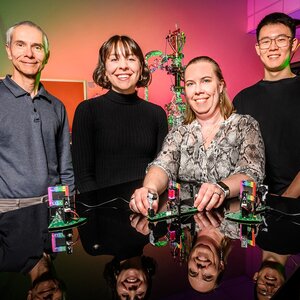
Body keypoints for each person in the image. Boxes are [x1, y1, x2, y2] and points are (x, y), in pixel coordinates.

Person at [129, 56, 265, 216]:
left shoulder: (245, 125)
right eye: (190, 84)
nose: (198, 90)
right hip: (189, 228)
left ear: (220, 86)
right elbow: (163, 165)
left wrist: (221, 188)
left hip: (231, 228)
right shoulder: (179, 132)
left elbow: (252, 172)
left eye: (206, 81)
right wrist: (149, 189)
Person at [72, 35, 168, 193]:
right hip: (102, 210)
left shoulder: (157, 114)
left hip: (147, 207)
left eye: (131, 59)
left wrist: (147, 203)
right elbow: (83, 177)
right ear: (104, 68)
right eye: (114, 59)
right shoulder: (87, 111)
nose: (123, 66)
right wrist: (103, 210)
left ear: (141, 66)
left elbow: (163, 169)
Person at [0, 21, 74, 205]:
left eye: (37, 47)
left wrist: (70, 209)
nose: (29, 54)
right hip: (8, 209)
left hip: (54, 207)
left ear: (46, 55)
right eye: (20, 45)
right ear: (8, 50)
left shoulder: (57, 106)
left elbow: (66, 168)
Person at [233, 12, 300, 198]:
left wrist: (286, 200)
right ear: (257, 48)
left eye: (281, 40)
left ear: (294, 44)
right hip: (255, 207)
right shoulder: (242, 99)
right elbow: (238, 158)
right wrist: (247, 207)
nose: (272, 47)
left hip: (293, 207)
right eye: (266, 41)